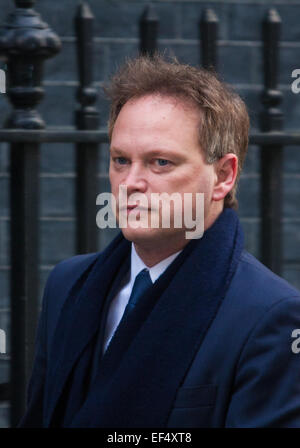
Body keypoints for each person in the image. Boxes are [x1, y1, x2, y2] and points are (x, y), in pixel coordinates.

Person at [20, 54, 300, 428]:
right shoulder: (68, 284)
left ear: (223, 176)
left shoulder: (271, 316)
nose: (131, 182)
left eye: (160, 162)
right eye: (120, 160)